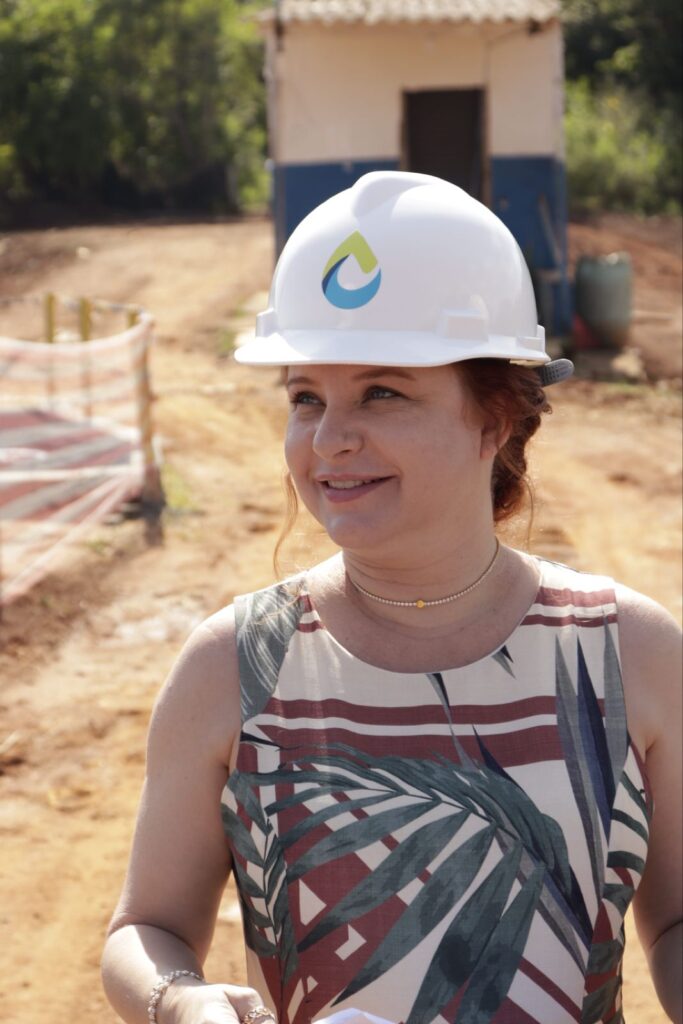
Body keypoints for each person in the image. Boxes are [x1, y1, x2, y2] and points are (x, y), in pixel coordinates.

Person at [101, 172, 682, 1024]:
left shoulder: (627, 653)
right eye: (306, 397)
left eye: (382, 392)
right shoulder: (231, 666)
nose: (330, 439)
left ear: (495, 419)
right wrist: (179, 1003)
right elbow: (146, 928)